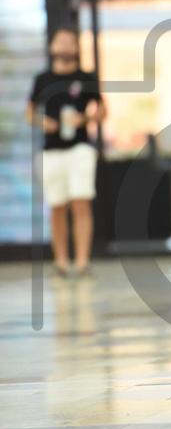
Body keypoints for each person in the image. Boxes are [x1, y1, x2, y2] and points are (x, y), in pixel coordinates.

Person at [26, 27, 106, 277]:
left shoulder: (86, 77)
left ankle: (82, 262)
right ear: (52, 47)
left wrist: (85, 119)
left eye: (70, 42)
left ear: (76, 47)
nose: (65, 46)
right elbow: (30, 112)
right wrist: (43, 123)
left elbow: (103, 110)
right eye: (60, 41)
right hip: (51, 150)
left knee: (80, 202)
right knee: (57, 205)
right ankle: (61, 262)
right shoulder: (42, 79)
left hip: (80, 148)